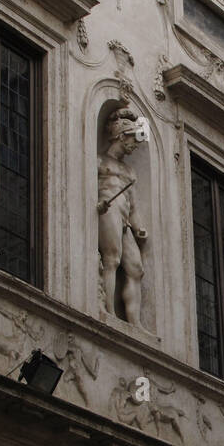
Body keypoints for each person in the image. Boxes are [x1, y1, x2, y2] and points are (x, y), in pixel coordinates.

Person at [97, 107, 148, 326]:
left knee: (136, 268)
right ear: (121, 135)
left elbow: (134, 205)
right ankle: (109, 310)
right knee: (112, 259)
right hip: (109, 211)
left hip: (125, 219)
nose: (134, 145)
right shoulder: (99, 161)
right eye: (132, 139)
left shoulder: (130, 171)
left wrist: (139, 227)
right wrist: (99, 204)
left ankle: (135, 323)